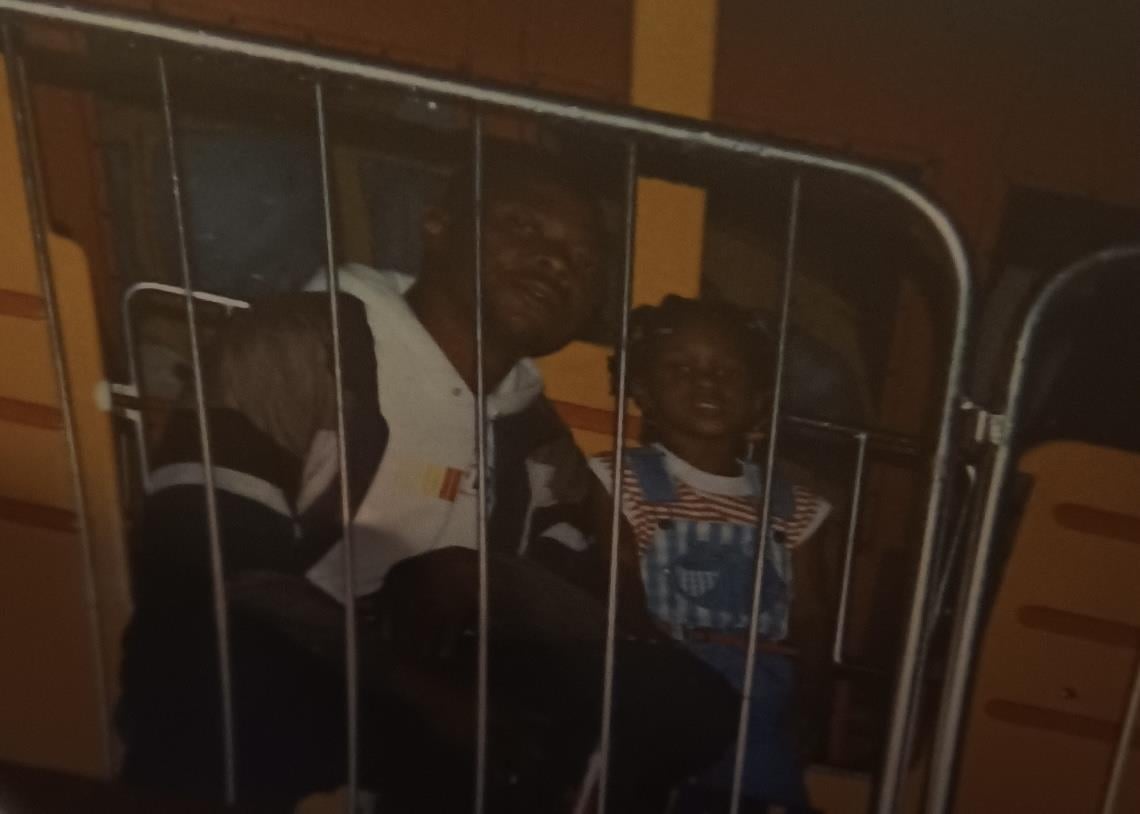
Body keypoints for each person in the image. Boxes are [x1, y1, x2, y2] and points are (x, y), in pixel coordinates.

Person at [119, 143, 736, 812]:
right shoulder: (295, 345)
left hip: (415, 693)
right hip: (279, 663)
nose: (558, 262)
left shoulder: (538, 438)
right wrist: (416, 686)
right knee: (221, 661)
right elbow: (209, 562)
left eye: (585, 261)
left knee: (679, 698)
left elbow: (590, 612)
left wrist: (479, 575)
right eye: (524, 227)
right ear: (438, 226)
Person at [587, 295, 833, 812]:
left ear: (759, 399)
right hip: (662, 687)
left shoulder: (793, 505)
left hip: (760, 706)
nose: (706, 382)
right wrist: (646, 665)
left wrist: (812, 696)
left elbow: (809, 614)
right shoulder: (620, 479)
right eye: (682, 368)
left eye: (726, 371)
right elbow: (617, 580)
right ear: (642, 391)